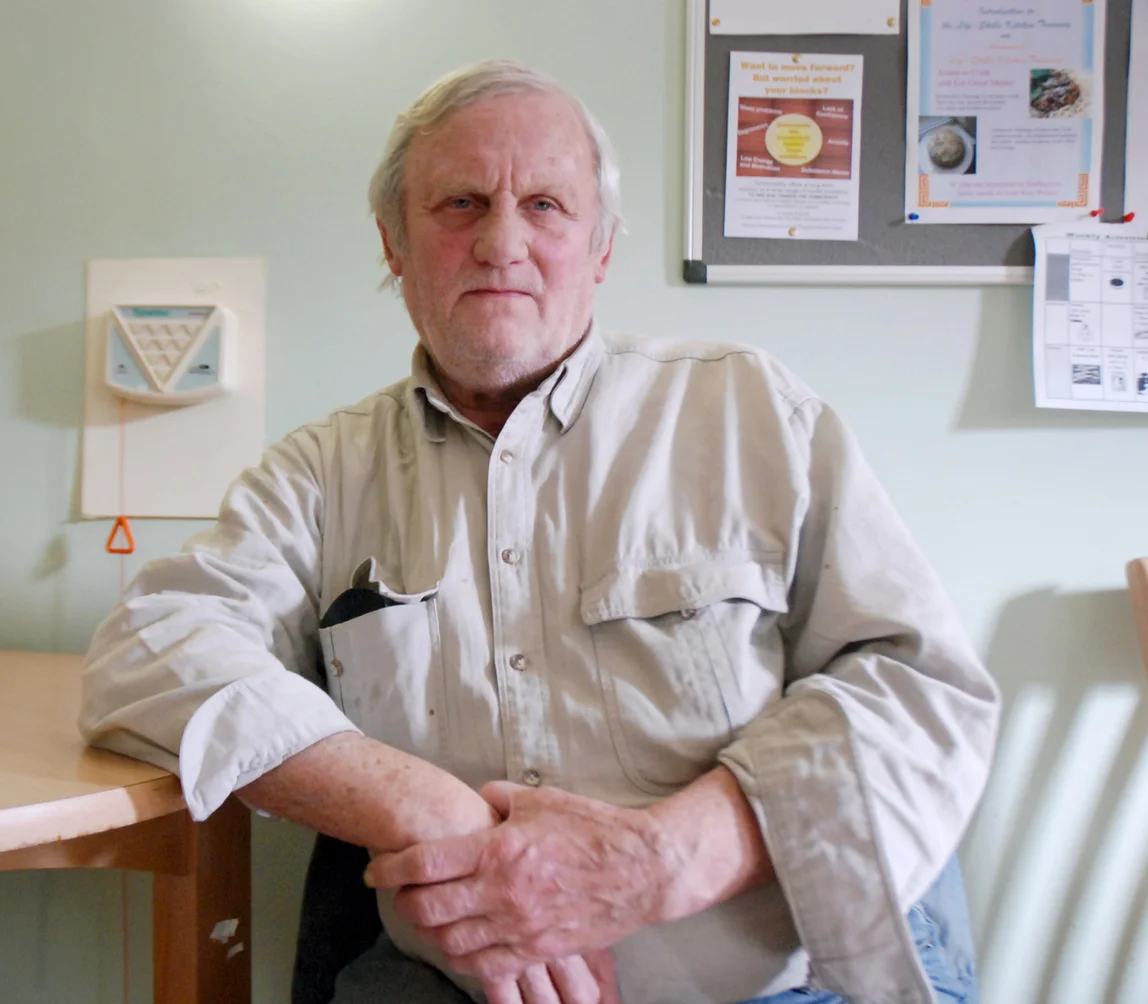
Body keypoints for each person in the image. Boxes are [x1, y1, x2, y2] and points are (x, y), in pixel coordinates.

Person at [80, 59, 1000, 1004]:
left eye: (547, 206)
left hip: (781, 987)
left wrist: (659, 861)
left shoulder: (749, 411)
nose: (502, 243)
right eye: (461, 204)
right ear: (394, 244)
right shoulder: (324, 472)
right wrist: (423, 809)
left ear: (600, 248)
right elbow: (149, 650)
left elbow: (918, 686)